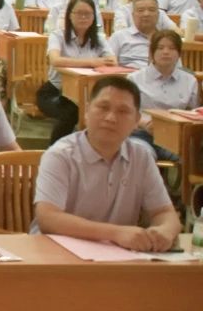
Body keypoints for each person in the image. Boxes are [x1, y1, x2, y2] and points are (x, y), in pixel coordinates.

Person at [33, 75, 180, 251]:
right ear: (87, 111)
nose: (111, 118)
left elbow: (164, 212)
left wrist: (165, 232)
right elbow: (48, 218)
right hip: (56, 254)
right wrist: (115, 233)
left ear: (137, 120)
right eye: (103, 107)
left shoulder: (141, 157)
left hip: (117, 256)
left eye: (123, 111)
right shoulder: (60, 155)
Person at [38, 0, 115, 144]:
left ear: (94, 17)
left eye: (88, 14)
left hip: (90, 93)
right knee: (71, 112)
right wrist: (91, 62)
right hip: (56, 92)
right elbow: (56, 60)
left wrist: (98, 62)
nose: (83, 17)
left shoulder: (99, 39)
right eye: (79, 13)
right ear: (70, 15)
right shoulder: (58, 35)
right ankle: (55, 151)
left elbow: (112, 62)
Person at [129, 30, 197, 160]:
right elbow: (126, 112)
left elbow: (193, 114)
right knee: (142, 154)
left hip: (174, 136)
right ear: (152, 53)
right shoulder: (134, 79)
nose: (166, 52)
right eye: (160, 48)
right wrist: (144, 124)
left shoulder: (190, 80)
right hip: (141, 134)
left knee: (191, 155)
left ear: (179, 54)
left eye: (172, 48)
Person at [108, 0, 161, 68]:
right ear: (133, 15)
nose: (146, 14)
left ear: (158, 14)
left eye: (151, 10)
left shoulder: (165, 38)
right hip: (128, 73)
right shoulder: (119, 37)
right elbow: (108, 64)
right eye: (141, 10)